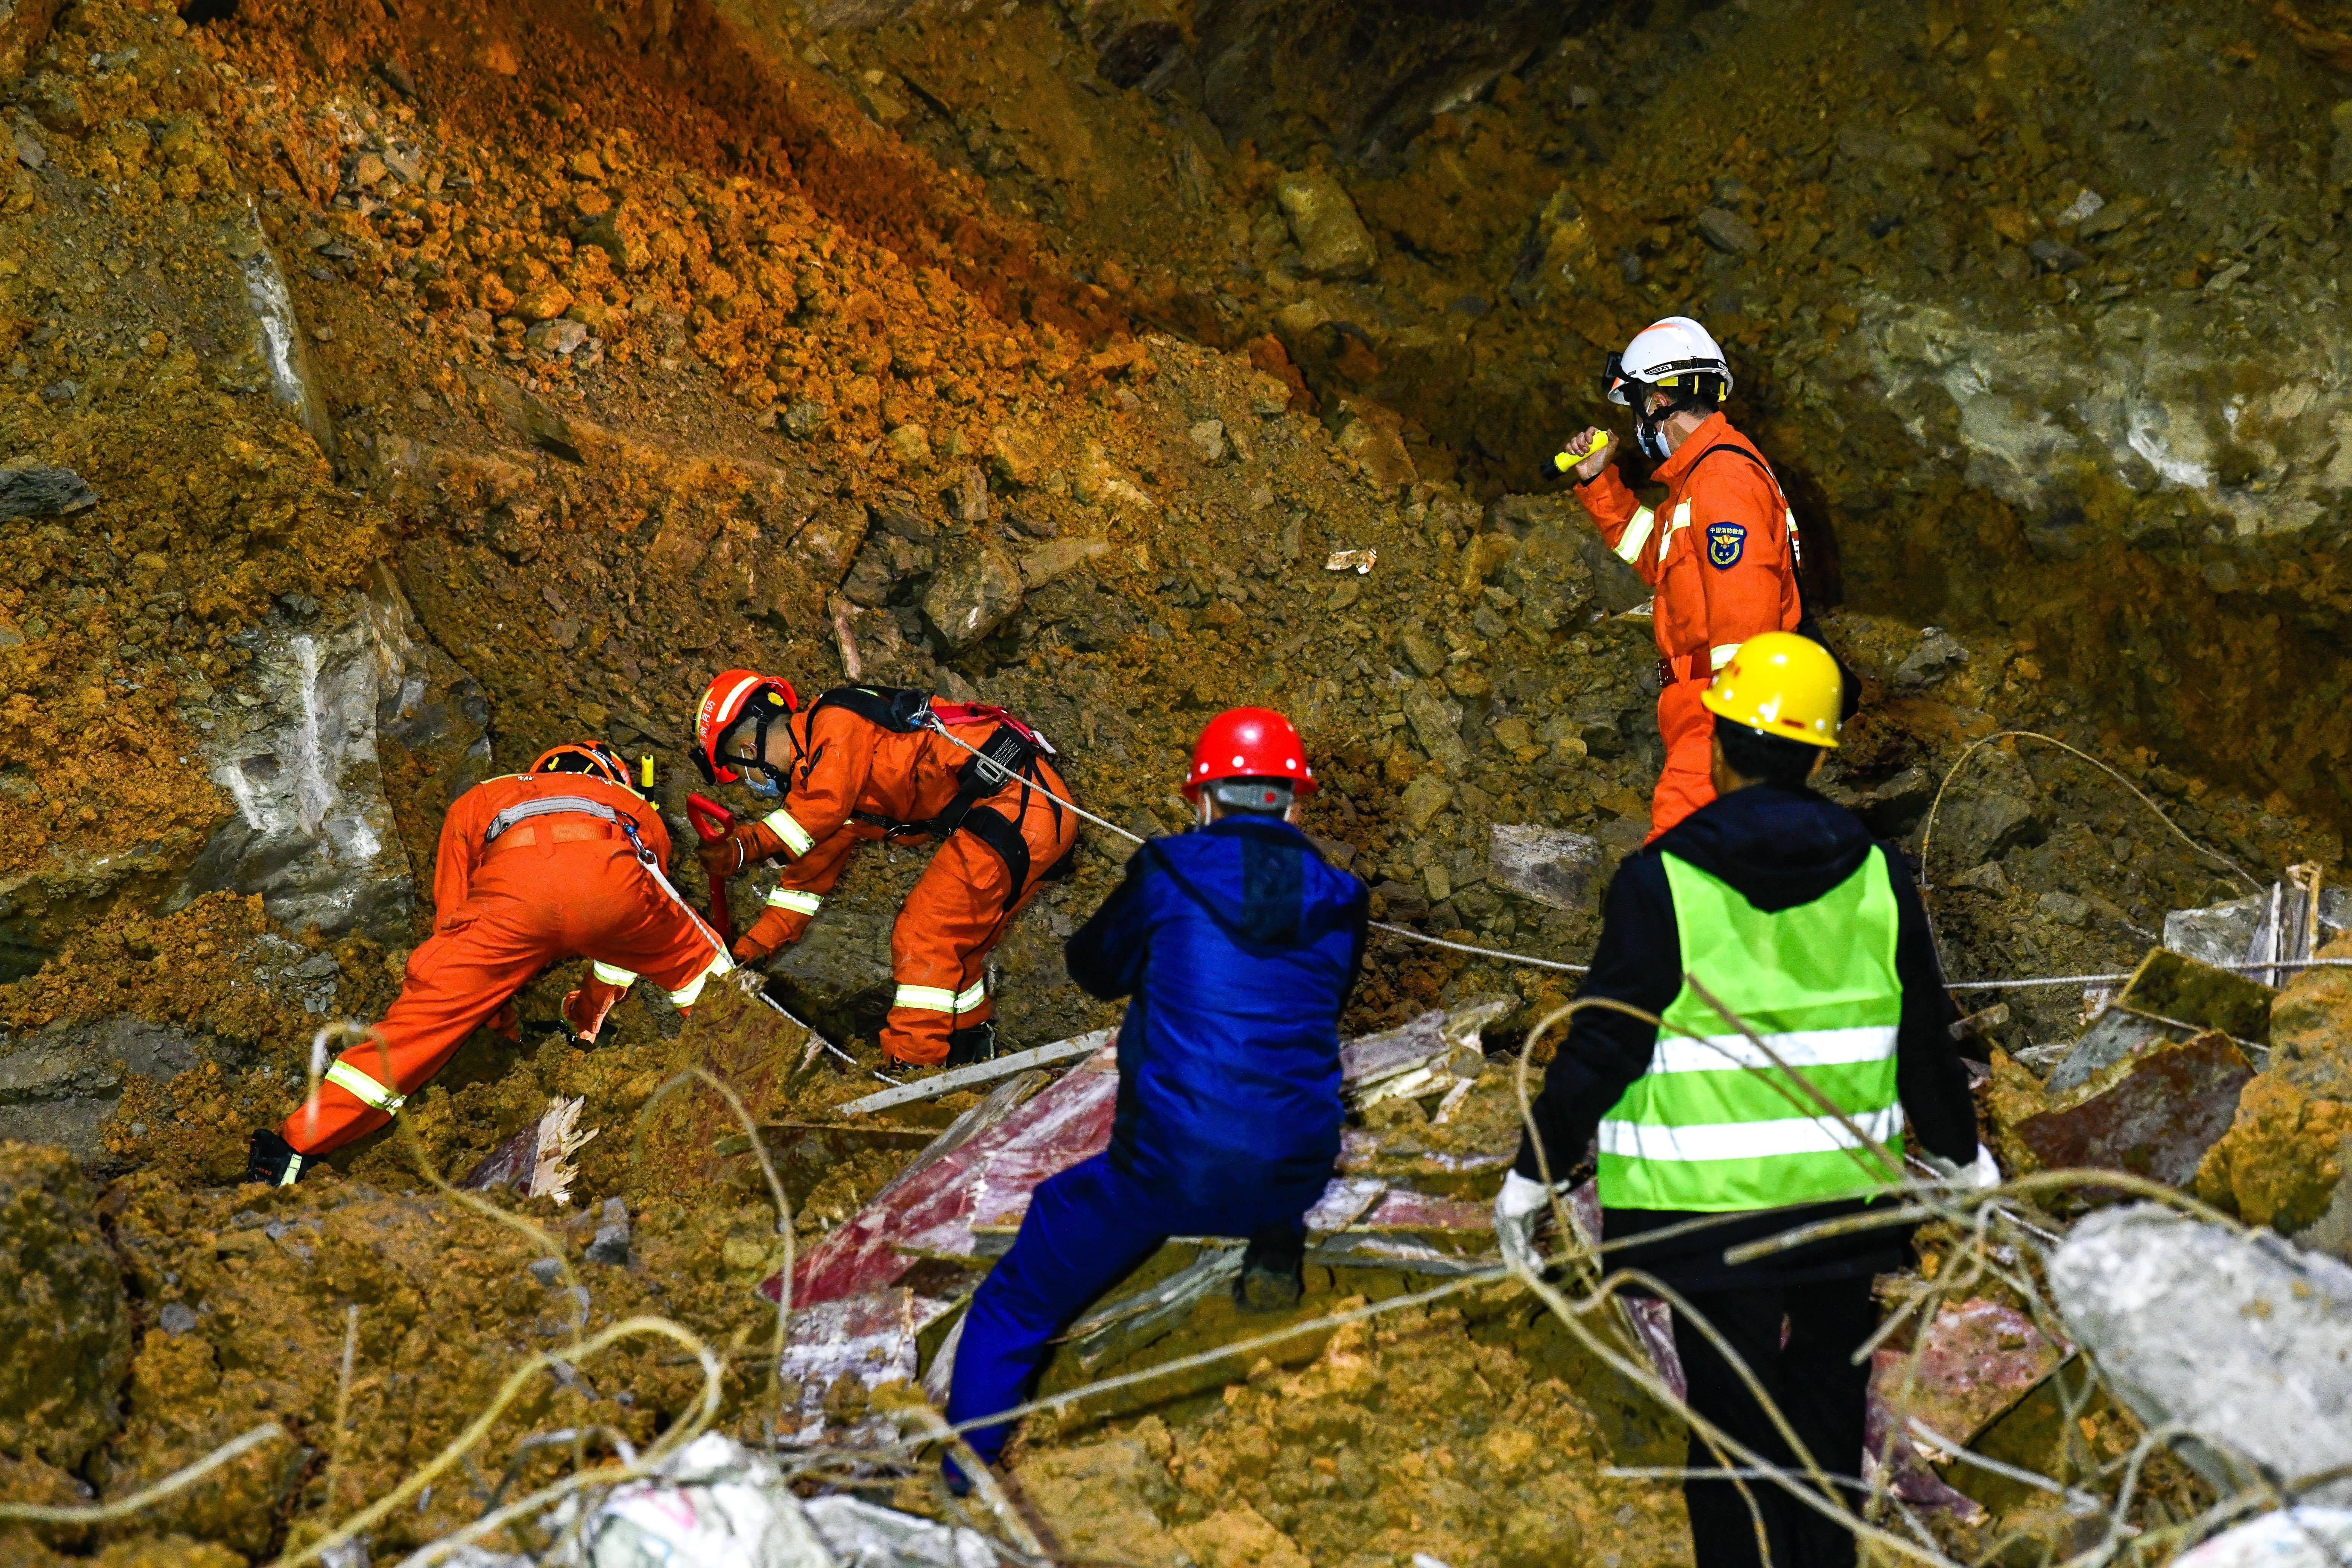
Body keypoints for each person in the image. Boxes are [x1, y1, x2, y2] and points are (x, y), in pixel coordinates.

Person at [1492, 633, 1993, 1568]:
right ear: (1815, 753)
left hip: (1704, 1219)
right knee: (1824, 1417)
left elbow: (1605, 1043)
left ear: (1718, 744)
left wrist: (1531, 1170)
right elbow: (1926, 1039)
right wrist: (1964, 1158)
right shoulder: (1880, 874)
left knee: (1730, 1433)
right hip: (1840, 1209)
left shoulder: (1662, 879)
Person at [942, 707, 1366, 1481]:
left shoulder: (1169, 869)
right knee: (1276, 1091)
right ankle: (1274, 1246)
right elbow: (1321, 1000)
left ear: (1203, 801)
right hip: (1301, 1170)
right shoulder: (1344, 895)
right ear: (1294, 801)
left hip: (1172, 1172)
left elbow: (1097, 970)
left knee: (1017, 1305)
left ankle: (961, 1478)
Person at [247, 742, 731, 1185]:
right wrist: (588, 1020)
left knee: (418, 1028)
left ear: (537, 771)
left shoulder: (486, 795)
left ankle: (290, 1150)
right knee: (704, 970)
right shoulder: (636, 807)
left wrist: (493, 1014)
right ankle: (754, 1077)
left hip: (513, 898)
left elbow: (453, 914)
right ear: (613, 777)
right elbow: (629, 936)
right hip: (612, 885)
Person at [689, 672, 1079, 1072]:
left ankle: (913, 1070)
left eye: (740, 770)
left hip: (1017, 807)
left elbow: (826, 807)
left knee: (925, 935)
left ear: (750, 749)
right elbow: (803, 885)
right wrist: (750, 951)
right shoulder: (821, 782)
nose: (749, 783)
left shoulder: (835, 720)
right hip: (1027, 819)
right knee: (960, 950)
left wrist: (746, 845)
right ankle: (969, 1054)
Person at [1562, 315, 1806, 841]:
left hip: (1720, 713)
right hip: (1706, 710)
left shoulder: (1722, 481)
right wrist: (1601, 480)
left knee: (1679, 866)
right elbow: (1658, 560)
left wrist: (1731, 734)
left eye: (1635, 407)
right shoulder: (1700, 482)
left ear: (1657, 402)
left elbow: (1747, 613)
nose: (1634, 424)